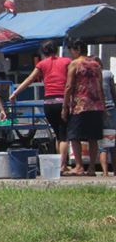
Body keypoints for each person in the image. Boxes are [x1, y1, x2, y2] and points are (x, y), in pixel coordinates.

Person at [8, 40, 71, 172]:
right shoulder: (66, 62)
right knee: (64, 135)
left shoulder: (42, 64)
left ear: (43, 52)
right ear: (56, 50)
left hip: (48, 103)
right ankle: (62, 165)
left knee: (56, 133)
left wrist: (15, 93)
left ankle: (60, 163)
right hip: (63, 101)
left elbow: (30, 79)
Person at [62, 39, 105, 176]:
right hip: (96, 105)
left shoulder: (75, 64)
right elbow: (101, 86)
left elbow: (68, 87)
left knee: (74, 136)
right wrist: (102, 106)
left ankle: (79, 166)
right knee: (93, 138)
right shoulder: (96, 65)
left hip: (80, 105)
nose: (71, 54)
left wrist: (65, 106)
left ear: (77, 49)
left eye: (72, 51)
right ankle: (92, 168)